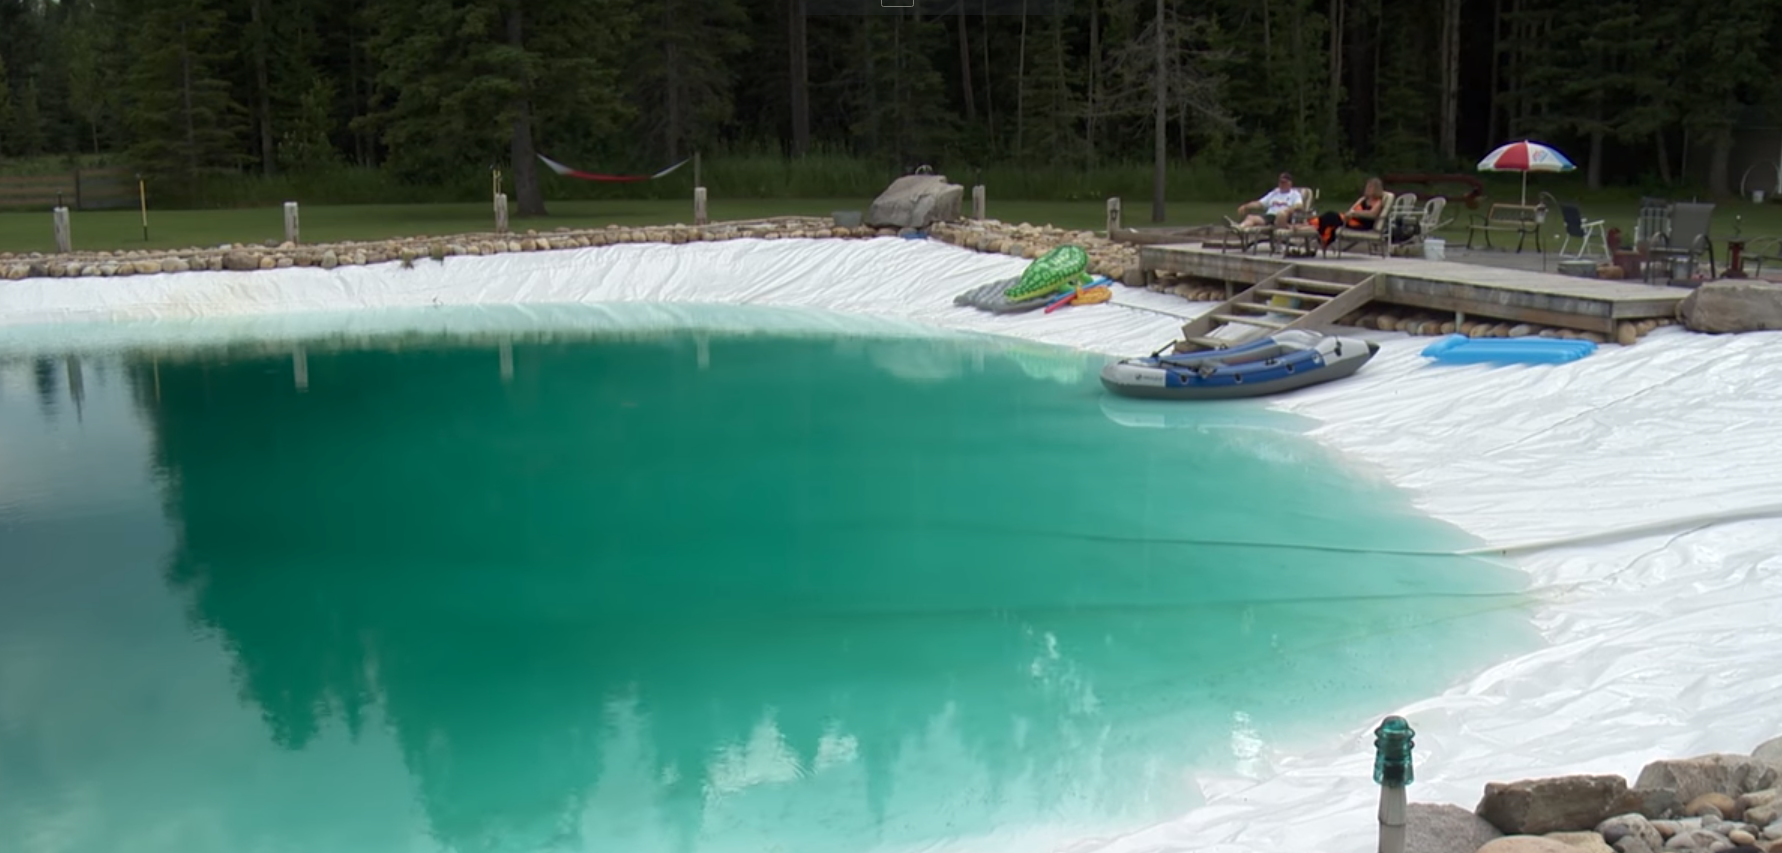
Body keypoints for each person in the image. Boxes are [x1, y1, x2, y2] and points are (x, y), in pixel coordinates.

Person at [1315, 177, 1387, 248]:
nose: (1367, 188)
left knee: (1331, 217)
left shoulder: (1378, 202)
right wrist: (1349, 214)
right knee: (1330, 216)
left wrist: (1355, 213)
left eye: (1370, 187)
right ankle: (1323, 236)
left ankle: (1323, 237)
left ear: (1377, 189)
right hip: (1351, 220)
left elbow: (1372, 214)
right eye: (1367, 186)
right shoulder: (1363, 199)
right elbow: (1351, 209)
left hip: (1362, 224)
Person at [1233, 173, 1305, 229]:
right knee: (1251, 217)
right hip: (1270, 217)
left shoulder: (1294, 194)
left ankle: (1280, 234)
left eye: (1284, 182)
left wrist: (1288, 210)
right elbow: (1260, 203)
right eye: (1280, 182)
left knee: (1281, 214)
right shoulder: (1274, 192)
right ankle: (1239, 228)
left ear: (1290, 183)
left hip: (1284, 218)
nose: (1281, 184)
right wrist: (1246, 206)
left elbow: (1299, 205)